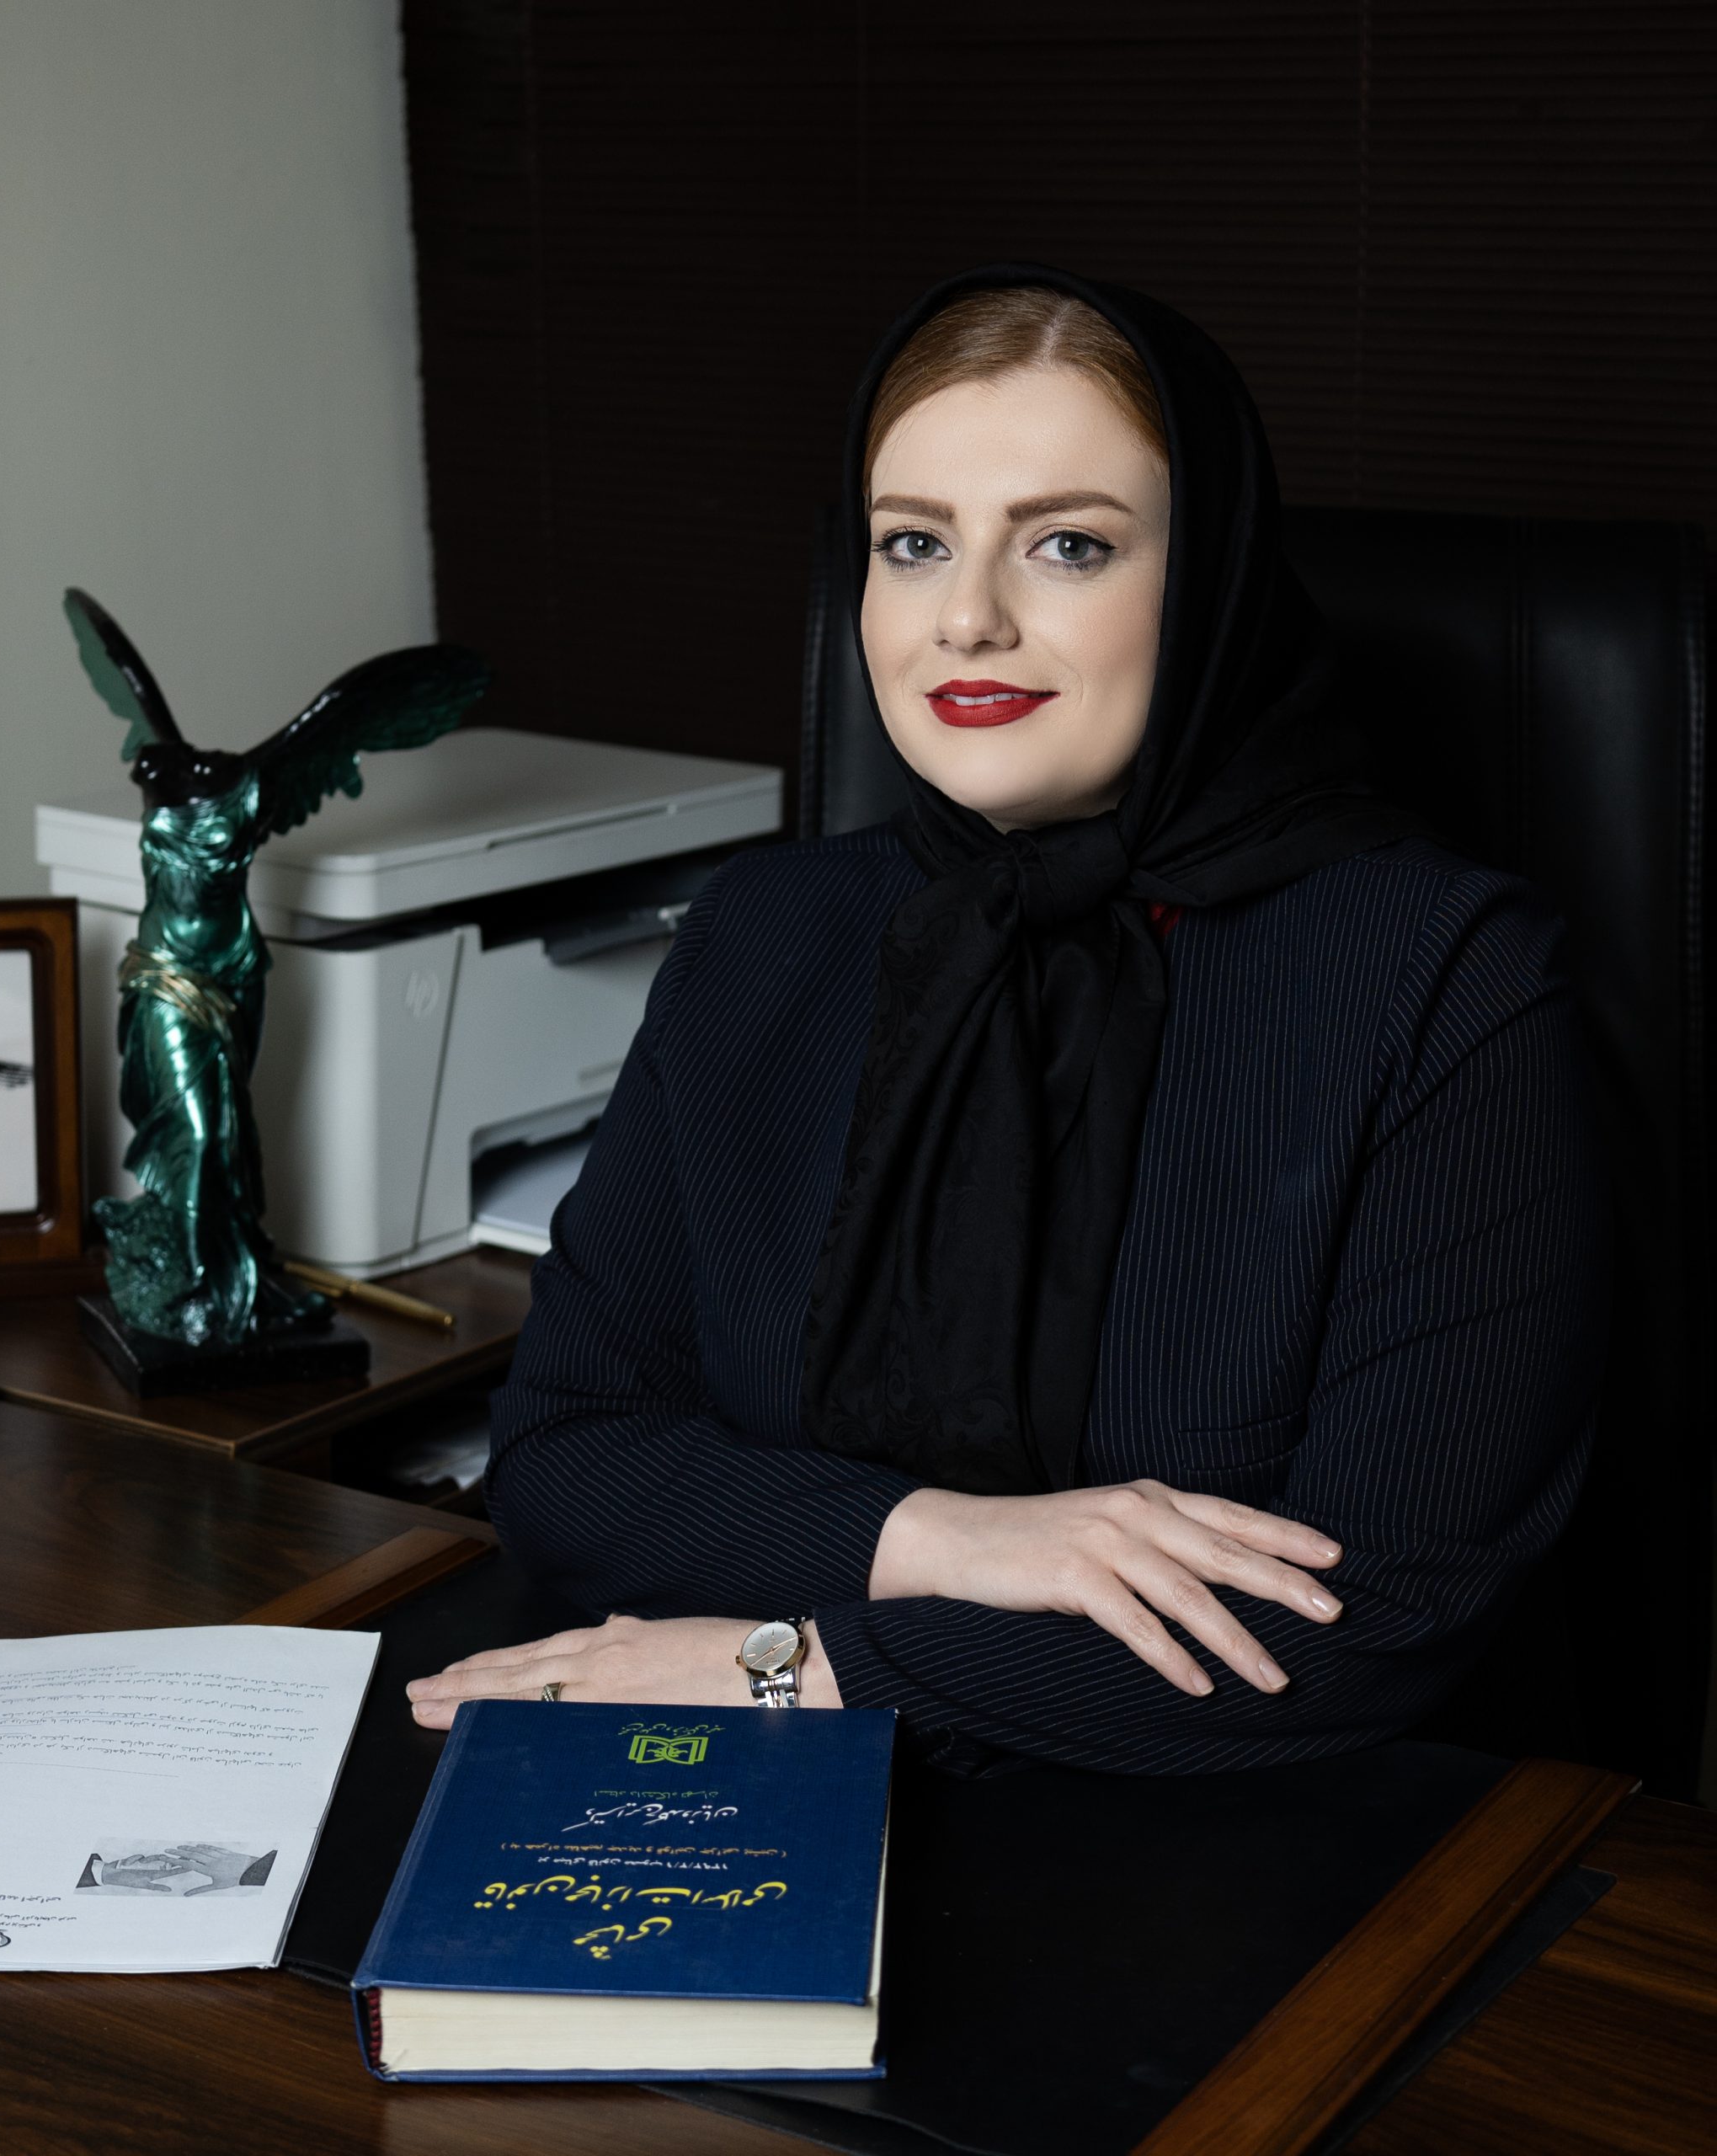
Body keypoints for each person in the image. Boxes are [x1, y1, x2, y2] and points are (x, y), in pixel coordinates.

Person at [407, 264, 1612, 1776]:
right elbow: (567, 1457)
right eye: (913, 544)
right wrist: (946, 1538)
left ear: (1208, 579)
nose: (966, 618)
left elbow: (1365, 1619)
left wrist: (790, 1663)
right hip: (765, 1784)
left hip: (1239, 1829)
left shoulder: (1448, 978)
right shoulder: (764, 936)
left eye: (1068, 545)